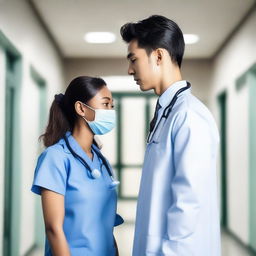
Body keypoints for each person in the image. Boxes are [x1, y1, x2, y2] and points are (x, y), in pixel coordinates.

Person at [120, 15, 221, 256]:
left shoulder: (188, 115)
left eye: (134, 59)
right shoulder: (169, 111)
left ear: (158, 56)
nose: (129, 69)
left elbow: (189, 203)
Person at [31, 76, 123, 256]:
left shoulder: (100, 160)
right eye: (105, 104)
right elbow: (53, 228)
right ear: (81, 108)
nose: (110, 111)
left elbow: (106, 226)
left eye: (112, 106)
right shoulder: (56, 158)